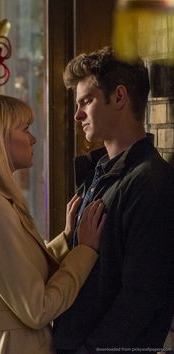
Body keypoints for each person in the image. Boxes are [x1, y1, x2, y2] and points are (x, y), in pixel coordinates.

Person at [0, 92, 106, 354]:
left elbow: (17, 275)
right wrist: (85, 251)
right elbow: (37, 309)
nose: (33, 138)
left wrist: (66, 239)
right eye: (25, 128)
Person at [54, 47, 174, 353]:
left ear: (119, 97)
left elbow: (143, 295)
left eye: (86, 101)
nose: (78, 114)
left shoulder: (150, 182)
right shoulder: (99, 174)